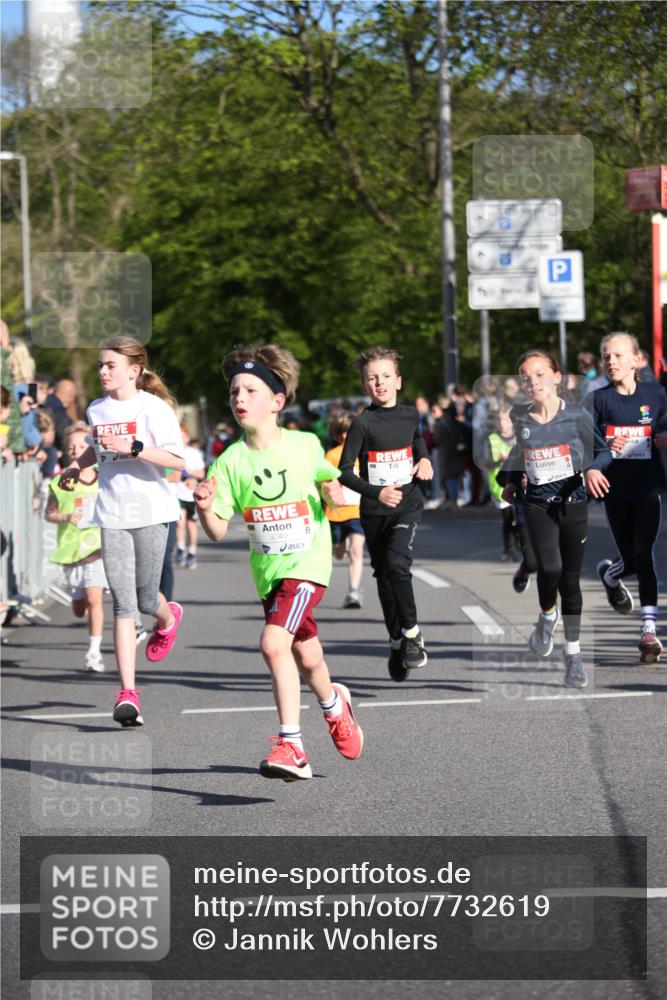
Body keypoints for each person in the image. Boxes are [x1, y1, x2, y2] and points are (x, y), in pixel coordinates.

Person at [194, 344, 363, 782]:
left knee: (273, 644)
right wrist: (204, 506)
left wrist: (333, 495)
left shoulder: (305, 445)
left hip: (307, 566)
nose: (240, 399)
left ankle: (293, 746)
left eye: (251, 390)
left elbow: (331, 485)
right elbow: (215, 530)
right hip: (270, 575)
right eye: (234, 391)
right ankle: (334, 705)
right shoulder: (230, 460)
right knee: (306, 656)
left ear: (277, 401)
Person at [58, 336, 185, 727]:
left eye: (110, 365)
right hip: (111, 513)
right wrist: (78, 467)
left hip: (151, 510)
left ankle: (167, 618)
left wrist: (134, 447)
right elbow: (96, 447)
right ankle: (127, 694)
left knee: (148, 599)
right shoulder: (96, 408)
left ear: (134, 371)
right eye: (99, 364)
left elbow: (176, 460)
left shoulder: (154, 408)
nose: (102, 371)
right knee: (123, 604)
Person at [500, 349, 598, 688]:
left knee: (570, 583)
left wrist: (595, 469)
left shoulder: (578, 417)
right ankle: (546, 617)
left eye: (540, 374)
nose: (533, 381)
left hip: (573, 505)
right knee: (550, 567)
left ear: (557, 377)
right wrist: (512, 481)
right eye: (527, 377)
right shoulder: (520, 416)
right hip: (538, 505)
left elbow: (602, 451)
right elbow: (519, 454)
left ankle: (573, 656)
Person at [338, 346, 432, 682]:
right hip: (375, 511)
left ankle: (412, 634)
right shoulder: (363, 423)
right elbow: (345, 471)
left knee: (396, 565)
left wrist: (424, 459)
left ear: (398, 381)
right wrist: (376, 492)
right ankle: (396, 641)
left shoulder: (409, 415)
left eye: (386, 377)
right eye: (372, 378)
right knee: (384, 576)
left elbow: (417, 440)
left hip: (408, 503)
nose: (380, 383)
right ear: (365, 386)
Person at [585, 332, 667, 664]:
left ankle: (648, 631)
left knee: (644, 554)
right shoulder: (597, 400)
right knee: (630, 560)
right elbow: (582, 440)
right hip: (614, 490)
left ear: (637, 360)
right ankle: (611, 575)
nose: (611, 361)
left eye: (618, 355)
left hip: (648, 487)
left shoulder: (656, 394)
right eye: (606, 356)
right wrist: (595, 461)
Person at [45, 422, 107, 672]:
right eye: (71, 447)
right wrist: (65, 517)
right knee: (79, 608)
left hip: (98, 547)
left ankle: (94, 652)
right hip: (71, 549)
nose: (76, 451)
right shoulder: (60, 481)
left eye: (82, 446)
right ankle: (76, 595)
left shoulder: (104, 478)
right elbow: (49, 513)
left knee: (95, 599)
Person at [324, 412, 366, 609]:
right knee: (339, 553)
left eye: (349, 431)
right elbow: (325, 482)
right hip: (337, 512)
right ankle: (341, 545)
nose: (345, 436)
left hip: (359, 511)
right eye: (341, 432)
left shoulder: (364, 452)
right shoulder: (332, 455)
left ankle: (353, 593)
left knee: (357, 551)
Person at [487, 407, 520, 561]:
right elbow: (486, 462)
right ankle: (509, 550)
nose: (502, 423)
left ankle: (523, 548)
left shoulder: (519, 438)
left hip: (517, 484)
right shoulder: (492, 439)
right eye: (500, 419)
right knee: (508, 519)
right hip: (498, 486)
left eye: (506, 419)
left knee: (520, 519)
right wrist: (501, 460)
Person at [175, 423, 205, 570]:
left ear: (187, 438)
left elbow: (202, 473)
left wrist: (191, 475)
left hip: (191, 495)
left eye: (183, 436)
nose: (180, 439)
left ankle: (192, 552)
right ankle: (180, 548)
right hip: (176, 493)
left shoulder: (194, 453)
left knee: (191, 525)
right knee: (180, 523)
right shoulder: (171, 452)